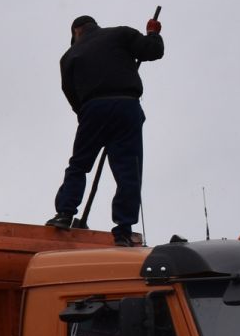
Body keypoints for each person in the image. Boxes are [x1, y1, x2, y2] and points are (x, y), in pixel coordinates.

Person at [47, 12, 164, 245]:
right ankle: (123, 229)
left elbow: (70, 93)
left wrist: (88, 114)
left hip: (92, 109)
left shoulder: (69, 55)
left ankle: (65, 213)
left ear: (76, 32)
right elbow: (152, 51)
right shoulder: (120, 33)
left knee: (79, 164)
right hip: (126, 105)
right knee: (128, 171)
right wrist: (153, 33)